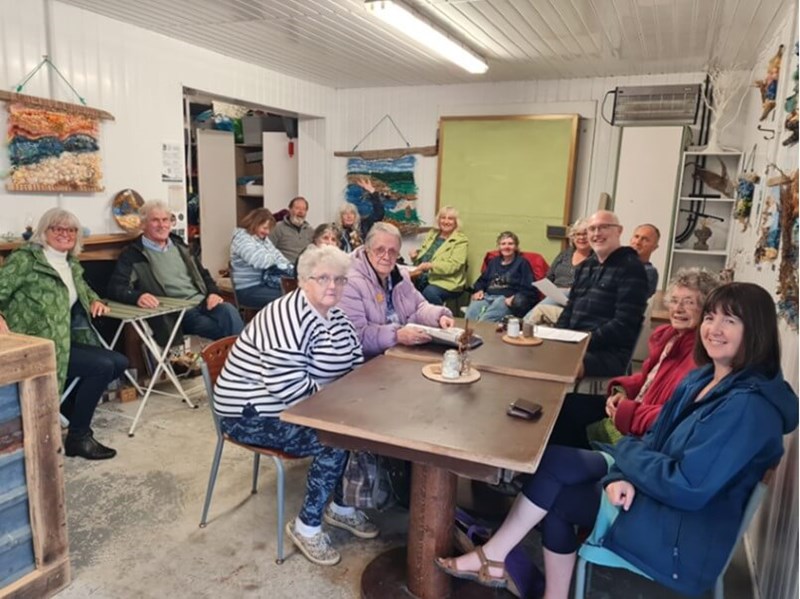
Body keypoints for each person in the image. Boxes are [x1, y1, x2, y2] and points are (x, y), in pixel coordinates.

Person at [437, 282, 798, 599]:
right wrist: (618, 474)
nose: (713, 329)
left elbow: (688, 487)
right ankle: (499, 557)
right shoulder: (706, 378)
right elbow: (655, 438)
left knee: (557, 495)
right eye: (711, 317)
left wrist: (623, 455)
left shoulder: (748, 409)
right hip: (655, 487)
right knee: (554, 461)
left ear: (757, 332)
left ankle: (510, 566)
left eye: (729, 321)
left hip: (680, 531)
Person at [213, 245, 377, 566]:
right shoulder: (286, 316)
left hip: (303, 406)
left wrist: (354, 402)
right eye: (323, 278)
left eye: (340, 279)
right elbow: (287, 387)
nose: (333, 286)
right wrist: (339, 409)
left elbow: (354, 364)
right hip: (249, 414)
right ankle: (306, 527)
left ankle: (340, 508)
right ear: (303, 281)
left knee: (361, 429)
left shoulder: (338, 317)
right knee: (335, 438)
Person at [0, 209, 127, 460]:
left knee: (119, 362)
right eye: (57, 229)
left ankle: (68, 413)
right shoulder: (25, 260)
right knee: (101, 366)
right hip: (36, 345)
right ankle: (79, 437)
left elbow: (84, 288)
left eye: (70, 230)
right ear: (44, 232)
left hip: (64, 341)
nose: (64, 234)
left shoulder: (71, 263)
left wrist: (94, 300)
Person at [549, 268, 720, 449]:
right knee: (563, 405)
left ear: (706, 310)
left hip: (640, 433)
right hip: (633, 407)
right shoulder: (668, 336)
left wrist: (627, 411)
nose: (678, 309)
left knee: (563, 427)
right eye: (675, 301)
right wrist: (621, 390)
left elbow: (676, 415)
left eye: (689, 302)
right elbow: (648, 378)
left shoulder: (702, 356)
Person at [108, 200, 243, 344]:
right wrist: (137, 296)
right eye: (155, 220)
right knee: (223, 330)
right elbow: (116, 288)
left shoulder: (181, 247)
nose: (162, 225)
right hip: (178, 311)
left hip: (203, 302)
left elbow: (204, 275)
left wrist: (213, 293)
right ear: (143, 225)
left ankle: (238, 358)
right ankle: (241, 359)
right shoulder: (133, 254)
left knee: (229, 310)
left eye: (165, 220)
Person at [339, 222, 454, 359]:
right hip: (369, 362)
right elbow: (356, 336)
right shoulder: (349, 282)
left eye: (392, 251)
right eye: (380, 250)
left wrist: (439, 316)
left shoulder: (400, 275)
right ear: (367, 249)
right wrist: (396, 335)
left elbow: (419, 307)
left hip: (400, 353)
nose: (386, 256)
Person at [556, 211, 648, 378]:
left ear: (619, 231)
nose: (596, 233)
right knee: (536, 354)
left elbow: (624, 323)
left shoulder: (631, 268)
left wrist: (582, 342)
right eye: (592, 229)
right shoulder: (585, 267)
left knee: (556, 365)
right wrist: (558, 336)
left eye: (603, 227)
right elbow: (570, 308)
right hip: (577, 343)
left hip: (608, 352)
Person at [527, 218, 592, 325]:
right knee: (544, 318)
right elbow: (549, 276)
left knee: (561, 294)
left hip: (576, 298)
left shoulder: (595, 258)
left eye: (585, 234)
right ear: (572, 237)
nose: (581, 238)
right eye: (577, 234)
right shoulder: (565, 254)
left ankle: (523, 324)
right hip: (555, 295)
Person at [229, 208, 294, 309]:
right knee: (290, 298)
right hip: (248, 289)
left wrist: (285, 265)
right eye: (265, 228)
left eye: (269, 229)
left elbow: (279, 256)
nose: (267, 232)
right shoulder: (241, 239)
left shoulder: (263, 239)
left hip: (265, 284)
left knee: (295, 293)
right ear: (254, 224)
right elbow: (260, 261)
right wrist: (279, 264)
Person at [464, 231, 536, 322]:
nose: (507, 247)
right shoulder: (494, 262)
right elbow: (482, 281)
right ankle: (467, 335)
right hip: (487, 297)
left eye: (510, 244)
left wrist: (514, 298)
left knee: (486, 320)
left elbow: (529, 287)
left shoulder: (522, 263)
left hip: (505, 299)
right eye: (503, 244)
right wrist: (479, 290)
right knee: (470, 315)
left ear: (516, 247)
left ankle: (482, 335)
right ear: (499, 246)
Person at [407, 205, 469, 306]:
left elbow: (454, 266)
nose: (446, 221)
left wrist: (431, 266)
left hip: (446, 282)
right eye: (443, 217)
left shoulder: (461, 240)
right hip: (424, 277)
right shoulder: (433, 234)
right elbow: (424, 258)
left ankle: (439, 318)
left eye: (450, 219)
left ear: (456, 222)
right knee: (402, 288)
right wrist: (415, 257)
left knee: (429, 293)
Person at [337, 177, 385, 252]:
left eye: (352, 213)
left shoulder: (363, 226)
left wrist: (373, 193)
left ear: (356, 215)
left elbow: (379, 213)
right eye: (345, 214)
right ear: (340, 217)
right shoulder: (336, 232)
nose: (349, 216)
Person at [269, 196, 314, 262]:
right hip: (284, 269)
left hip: (305, 269)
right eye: (297, 208)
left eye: (304, 209)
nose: (301, 212)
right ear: (290, 209)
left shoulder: (310, 231)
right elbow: (268, 249)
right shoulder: (277, 227)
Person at [629, 223, 660, 297]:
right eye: (636, 237)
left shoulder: (649, 273)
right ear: (631, 240)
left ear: (655, 247)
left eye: (645, 239)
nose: (638, 242)